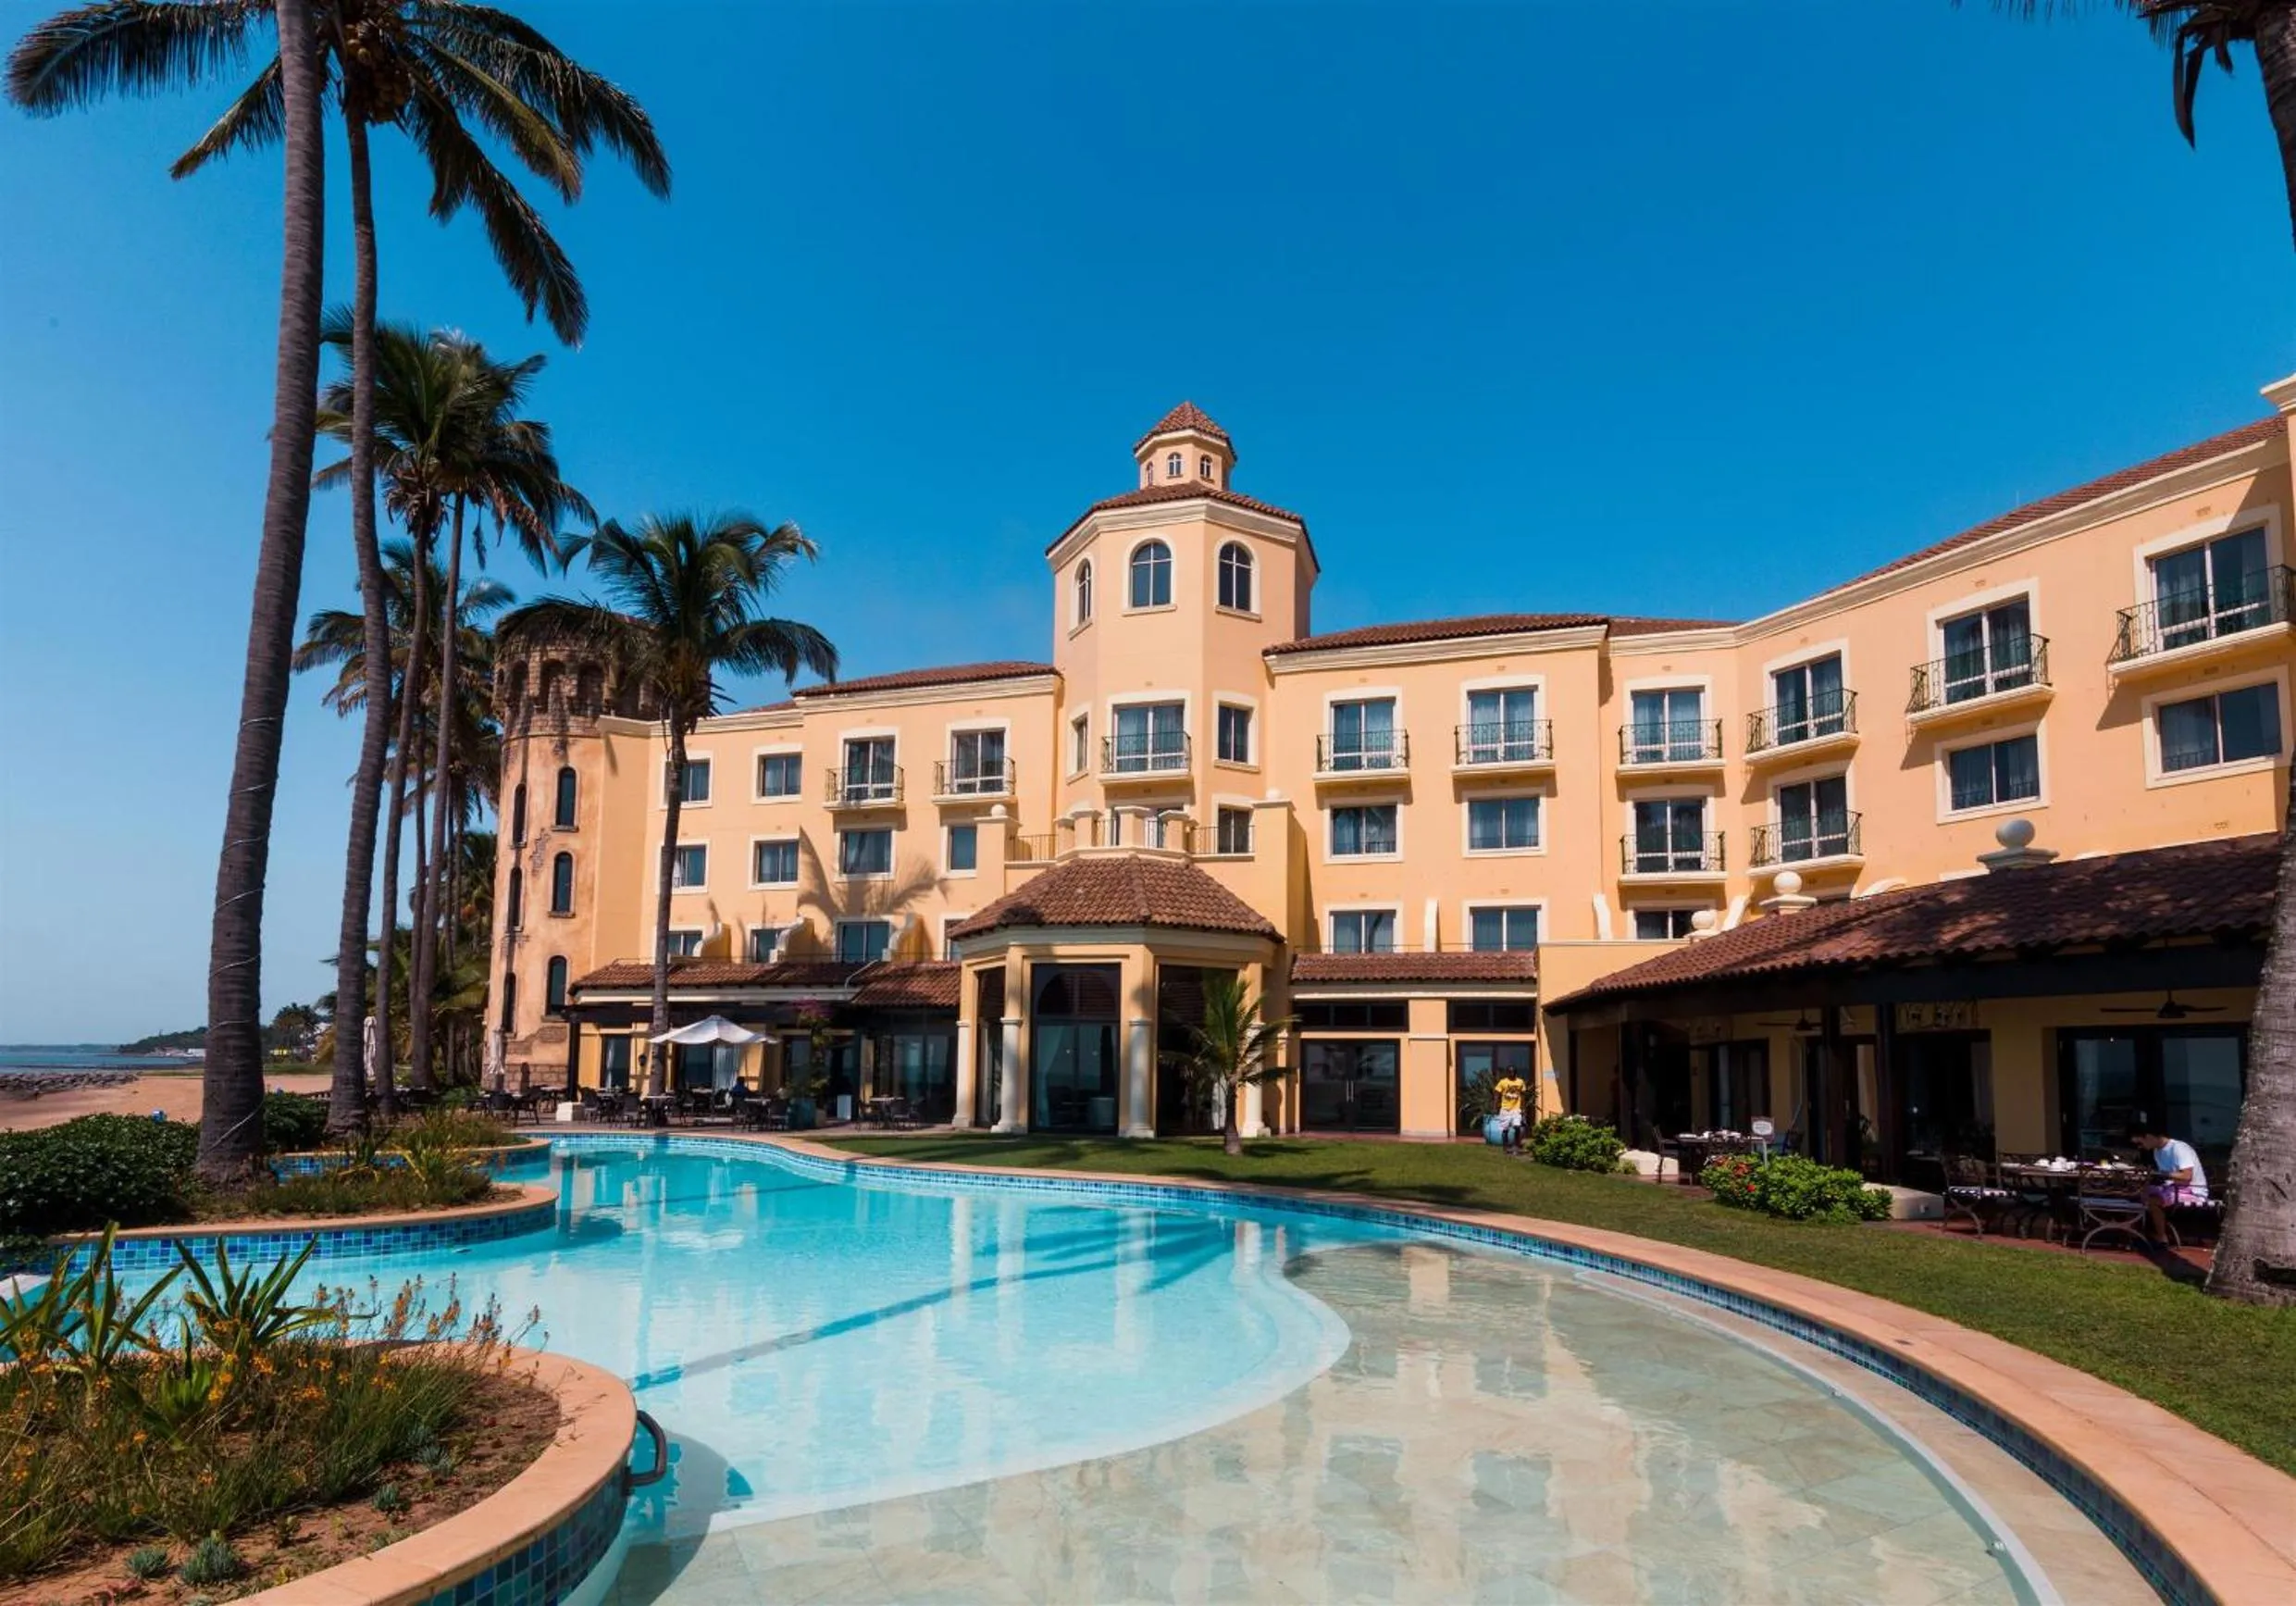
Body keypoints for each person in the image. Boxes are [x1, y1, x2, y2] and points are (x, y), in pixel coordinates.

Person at [2128, 1123, 2209, 1243]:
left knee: (2153, 1201)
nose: (2140, 1147)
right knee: (2135, 1193)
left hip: (2193, 1190)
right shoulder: (2157, 1151)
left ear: (2149, 1136)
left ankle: (2161, 1237)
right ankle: (2133, 1235)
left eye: (2140, 1143)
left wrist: (2163, 1174)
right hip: (2173, 1187)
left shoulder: (2179, 1148)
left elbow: (2186, 1177)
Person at [1495, 1070, 1529, 1153]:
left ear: (1516, 1073)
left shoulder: (1520, 1082)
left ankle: (1516, 1146)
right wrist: (1495, 1105)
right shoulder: (1503, 1082)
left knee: (1517, 1127)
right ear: (1507, 1073)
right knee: (1505, 1129)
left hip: (1516, 1109)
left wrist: (1523, 1108)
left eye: (1513, 1072)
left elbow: (1523, 1095)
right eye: (1510, 1072)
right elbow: (1497, 1094)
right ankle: (1505, 1147)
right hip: (1505, 1109)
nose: (1511, 1073)